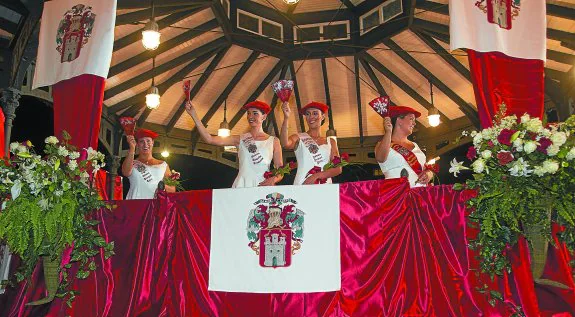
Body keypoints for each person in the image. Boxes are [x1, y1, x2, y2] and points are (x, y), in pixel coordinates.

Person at [185, 100, 283, 188]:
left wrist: (274, 179)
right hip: (242, 184)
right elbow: (209, 139)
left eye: (255, 113)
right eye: (248, 113)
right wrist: (194, 115)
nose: (250, 117)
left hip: (263, 184)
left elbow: (280, 169)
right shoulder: (240, 139)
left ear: (264, 117)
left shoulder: (274, 141)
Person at [280, 101, 341, 185]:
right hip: (303, 183)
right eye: (308, 114)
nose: (311, 117)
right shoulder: (299, 137)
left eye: (315, 113)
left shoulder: (331, 141)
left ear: (322, 116)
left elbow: (338, 169)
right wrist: (286, 118)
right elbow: (284, 143)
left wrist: (316, 176)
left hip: (325, 185)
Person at [374, 106, 433, 187]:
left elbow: (424, 168)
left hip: (420, 194)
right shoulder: (383, 144)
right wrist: (388, 132)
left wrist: (429, 174)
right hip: (397, 194)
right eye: (411, 119)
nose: (414, 123)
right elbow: (380, 158)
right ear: (399, 120)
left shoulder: (415, 145)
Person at [122, 128, 175, 199]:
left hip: (156, 206)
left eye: (148, 141)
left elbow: (172, 189)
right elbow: (125, 172)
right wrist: (132, 149)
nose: (145, 144)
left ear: (153, 142)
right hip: (135, 205)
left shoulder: (163, 165)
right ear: (137, 144)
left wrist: (162, 187)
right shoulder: (132, 163)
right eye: (141, 141)